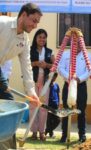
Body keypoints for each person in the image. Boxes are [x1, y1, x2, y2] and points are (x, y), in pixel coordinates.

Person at [0, 3, 42, 149]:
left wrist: (31, 93)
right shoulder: (2, 24)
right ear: (23, 15)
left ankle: (8, 147)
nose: (35, 25)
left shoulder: (25, 40)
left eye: (38, 22)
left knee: (9, 107)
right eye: (34, 20)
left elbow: (27, 67)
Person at [58, 45, 91, 143]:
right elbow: (60, 68)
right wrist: (69, 77)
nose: (76, 45)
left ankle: (82, 135)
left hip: (81, 85)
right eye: (75, 42)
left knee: (81, 110)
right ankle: (64, 135)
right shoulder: (65, 54)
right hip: (68, 85)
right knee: (66, 110)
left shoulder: (87, 55)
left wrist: (79, 79)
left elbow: (89, 70)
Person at [30, 29, 55, 141]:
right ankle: (34, 132)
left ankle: (42, 132)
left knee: (43, 107)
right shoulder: (30, 50)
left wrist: (46, 65)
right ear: (36, 38)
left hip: (45, 82)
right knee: (33, 106)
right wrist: (35, 63)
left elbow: (55, 66)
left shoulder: (50, 51)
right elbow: (26, 64)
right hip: (33, 81)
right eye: (40, 37)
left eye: (44, 37)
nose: (42, 39)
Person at [45, 72, 60, 138]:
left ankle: (47, 130)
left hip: (55, 105)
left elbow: (58, 95)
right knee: (49, 120)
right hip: (48, 105)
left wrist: (59, 103)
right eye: (53, 76)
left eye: (55, 77)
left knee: (58, 120)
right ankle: (51, 133)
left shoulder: (56, 85)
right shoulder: (47, 85)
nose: (54, 78)